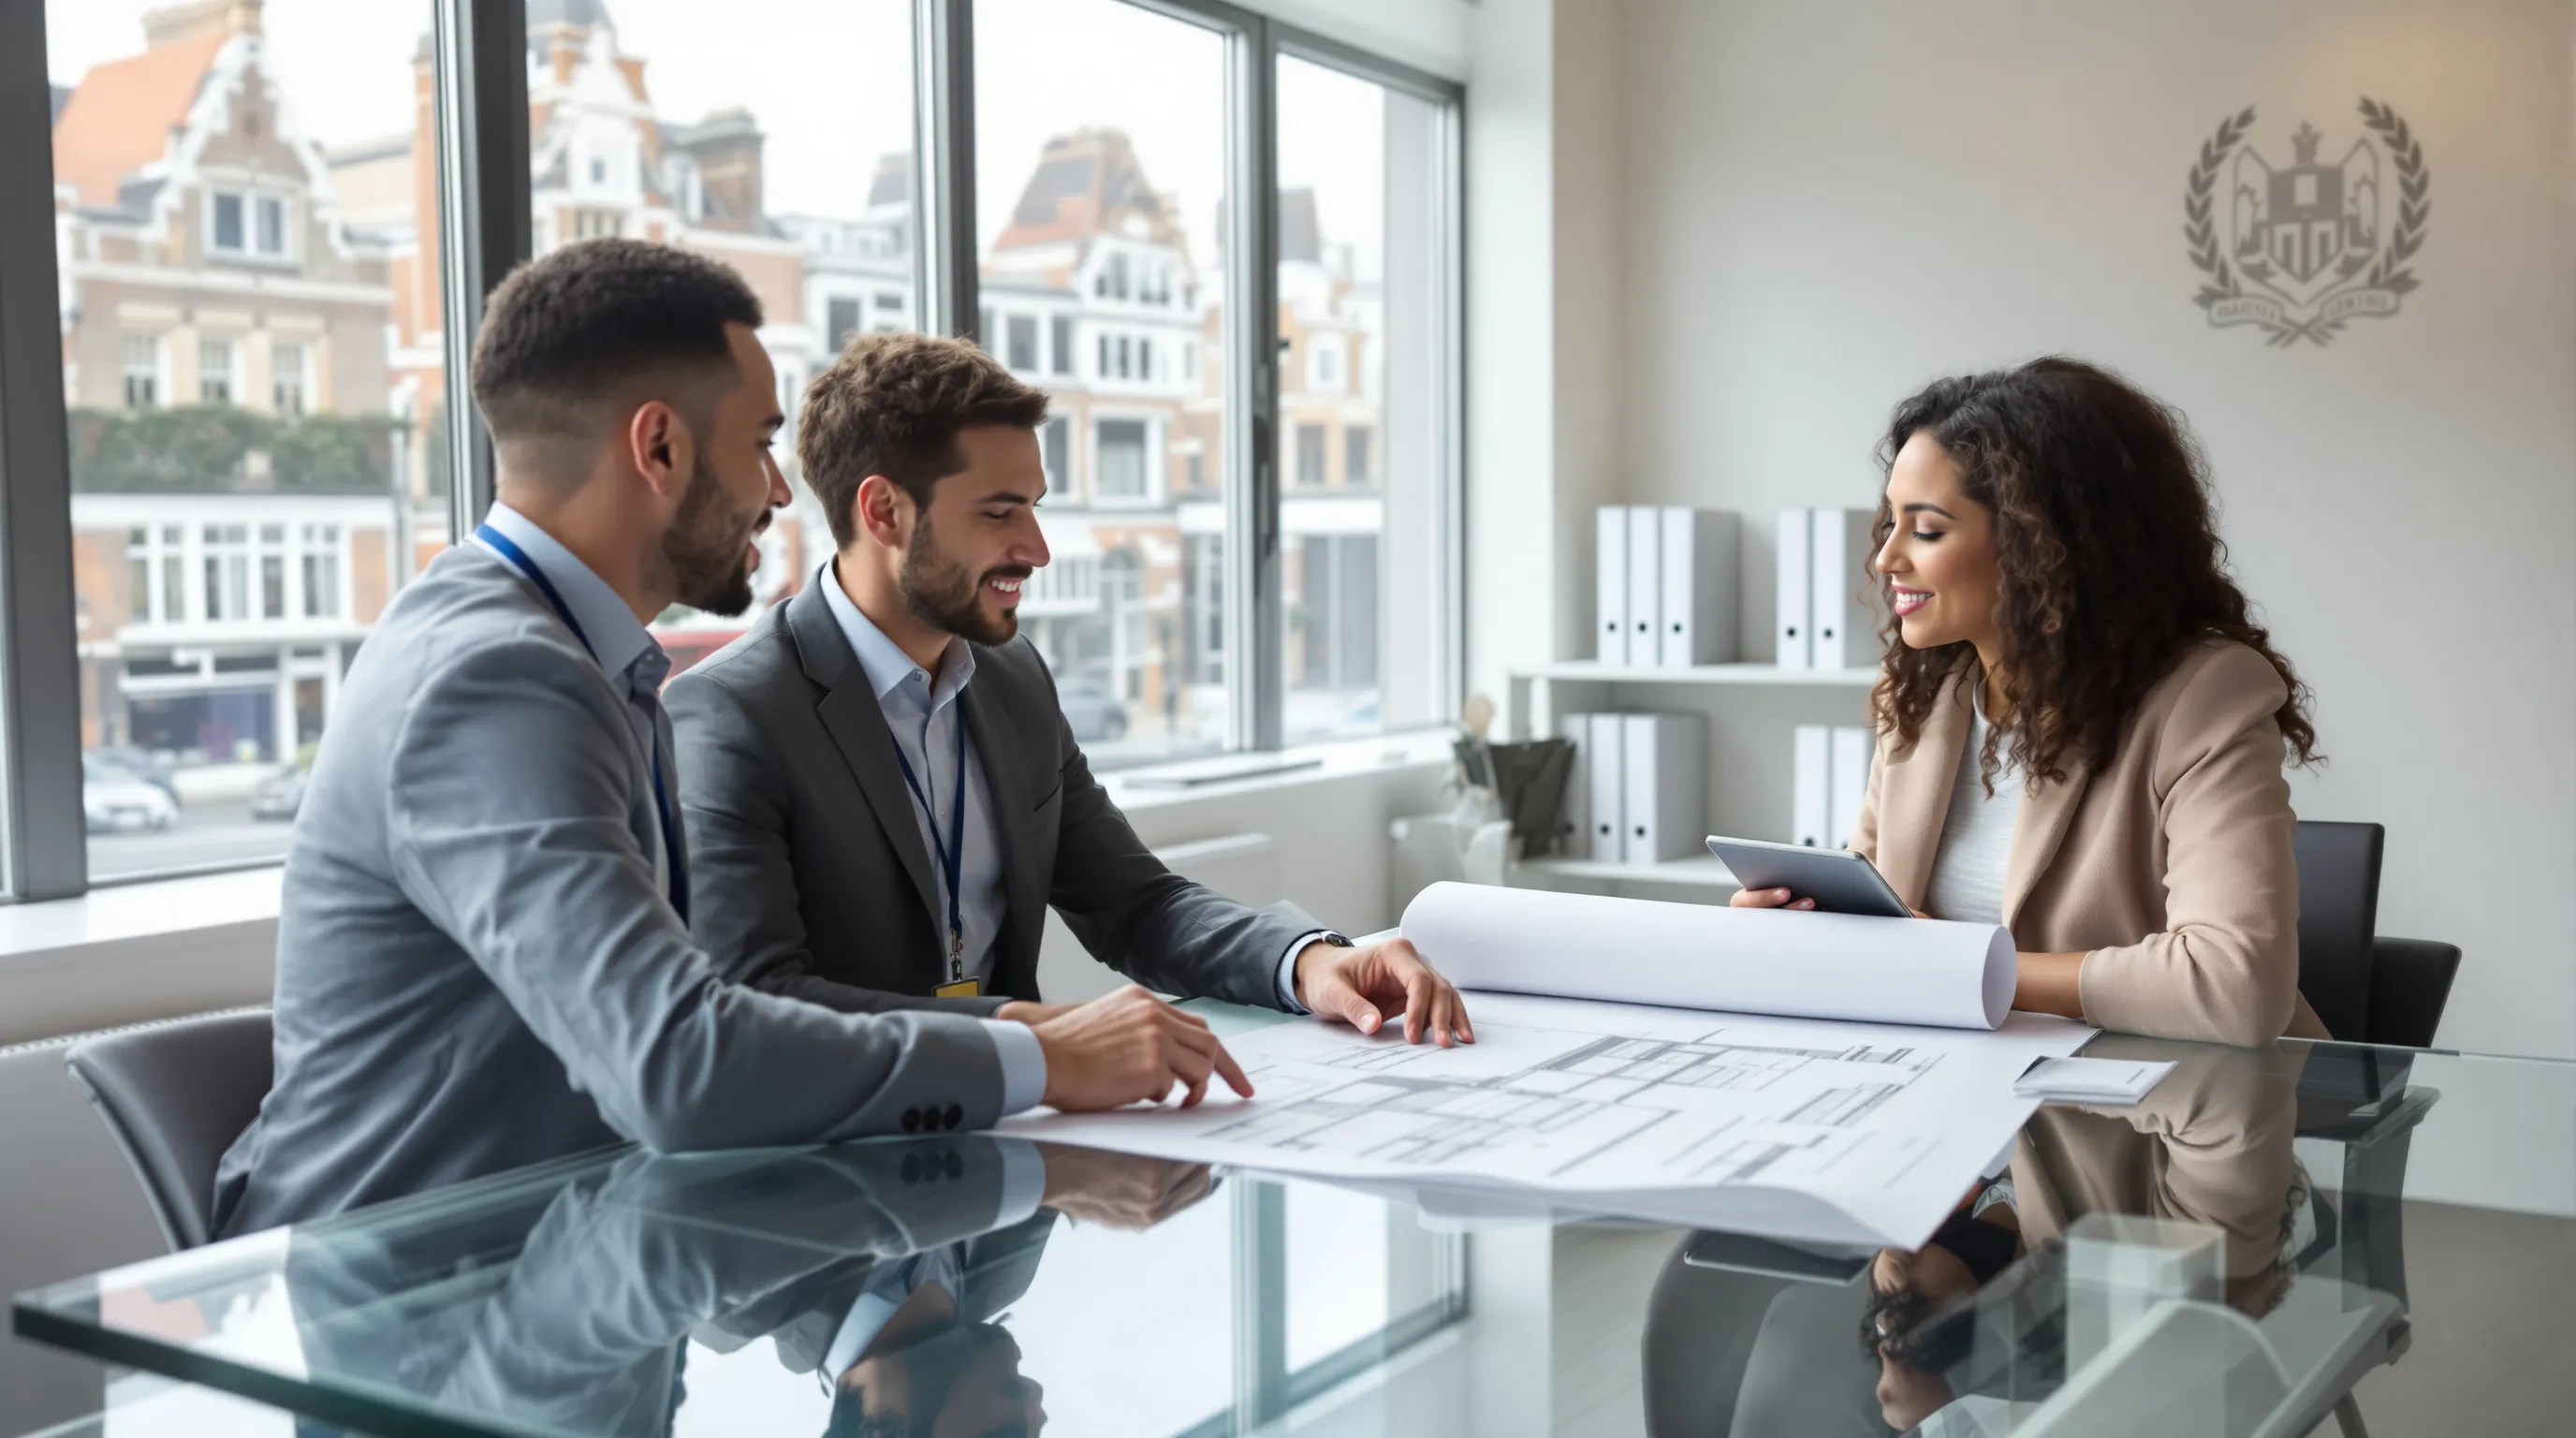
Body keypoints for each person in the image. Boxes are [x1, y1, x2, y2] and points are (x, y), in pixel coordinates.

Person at [212, 240, 1252, 1239]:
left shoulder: (588, 662)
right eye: (759, 444)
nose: (778, 489)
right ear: (658, 447)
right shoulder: (498, 679)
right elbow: (679, 1061)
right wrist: (1040, 1059)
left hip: (579, 1261)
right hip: (415, 1300)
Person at [666, 331, 1471, 1047]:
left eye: (1035, 509)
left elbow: (1136, 903)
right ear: (883, 512)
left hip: (1014, 1143)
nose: (1037, 549)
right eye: (1000, 512)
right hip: (833, 1175)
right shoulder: (732, 715)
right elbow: (756, 1002)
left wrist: (1309, 963)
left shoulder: (1012, 680)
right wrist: (1050, 1036)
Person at [1733, 358, 2327, 1047]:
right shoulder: (1926, 699)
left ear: (2038, 544)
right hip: (1965, 1096)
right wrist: (1806, 926)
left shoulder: (2202, 697)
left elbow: (2236, 985)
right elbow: (1884, 929)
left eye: (1925, 530)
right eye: (1889, 523)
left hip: (2172, 1119)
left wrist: (1968, 966)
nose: (1885, 559)